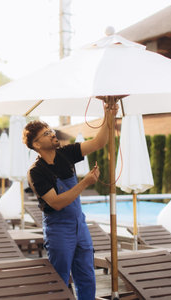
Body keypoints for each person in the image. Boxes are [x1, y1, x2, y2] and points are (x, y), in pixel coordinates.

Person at [22, 104, 118, 299]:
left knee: (87, 277)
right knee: (60, 280)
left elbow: (99, 142)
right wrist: (85, 183)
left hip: (79, 225)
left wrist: (109, 115)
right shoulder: (36, 172)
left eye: (50, 130)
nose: (52, 134)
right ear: (37, 145)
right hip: (59, 230)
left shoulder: (66, 153)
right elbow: (56, 203)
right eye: (46, 133)